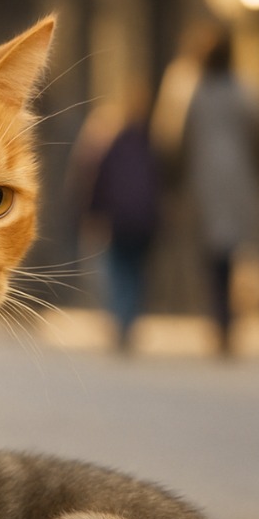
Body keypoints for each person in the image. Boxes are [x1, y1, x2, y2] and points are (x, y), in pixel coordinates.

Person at [181, 29, 259, 357]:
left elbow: (180, 140)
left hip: (205, 183)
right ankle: (229, 323)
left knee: (212, 258)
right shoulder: (247, 93)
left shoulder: (195, 95)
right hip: (240, 183)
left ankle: (220, 321)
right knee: (235, 255)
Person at [88, 87, 162, 353]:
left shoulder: (116, 144)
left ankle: (121, 320)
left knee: (119, 270)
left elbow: (101, 180)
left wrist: (93, 212)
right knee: (135, 272)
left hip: (119, 220)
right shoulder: (151, 146)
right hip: (143, 222)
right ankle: (128, 321)